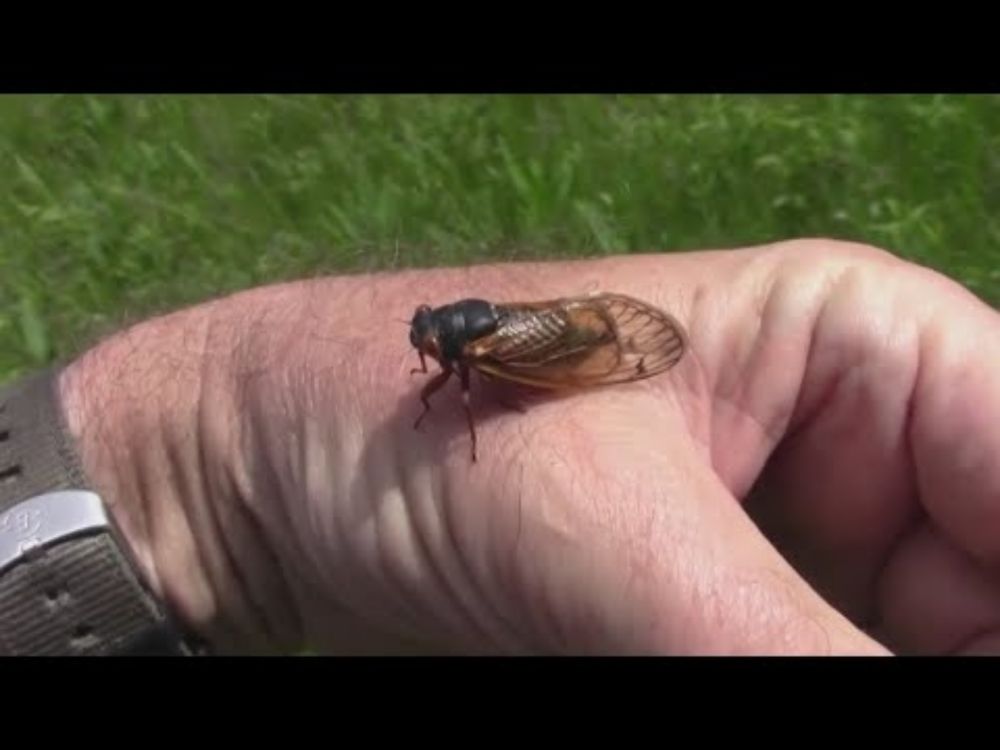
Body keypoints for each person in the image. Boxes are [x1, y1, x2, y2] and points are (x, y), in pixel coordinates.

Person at [4, 238, 999, 655]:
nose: (427, 352)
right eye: (434, 341)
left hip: (548, 337)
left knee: (564, 353)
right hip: (548, 327)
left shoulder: (473, 357)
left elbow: (503, 377)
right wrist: (219, 454)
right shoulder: (454, 354)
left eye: (431, 344)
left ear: (448, 342)